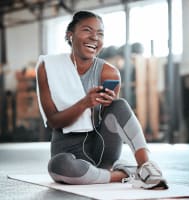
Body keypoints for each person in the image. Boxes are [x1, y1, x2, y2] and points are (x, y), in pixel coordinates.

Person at [35, 10, 168, 190]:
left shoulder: (109, 72)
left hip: (102, 150)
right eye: (87, 30)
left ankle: (146, 167)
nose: (94, 37)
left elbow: (113, 119)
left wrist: (103, 105)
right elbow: (53, 121)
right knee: (57, 167)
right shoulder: (48, 67)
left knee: (119, 105)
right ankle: (122, 174)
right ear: (70, 35)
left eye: (100, 33)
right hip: (67, 153)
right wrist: (85, 103)